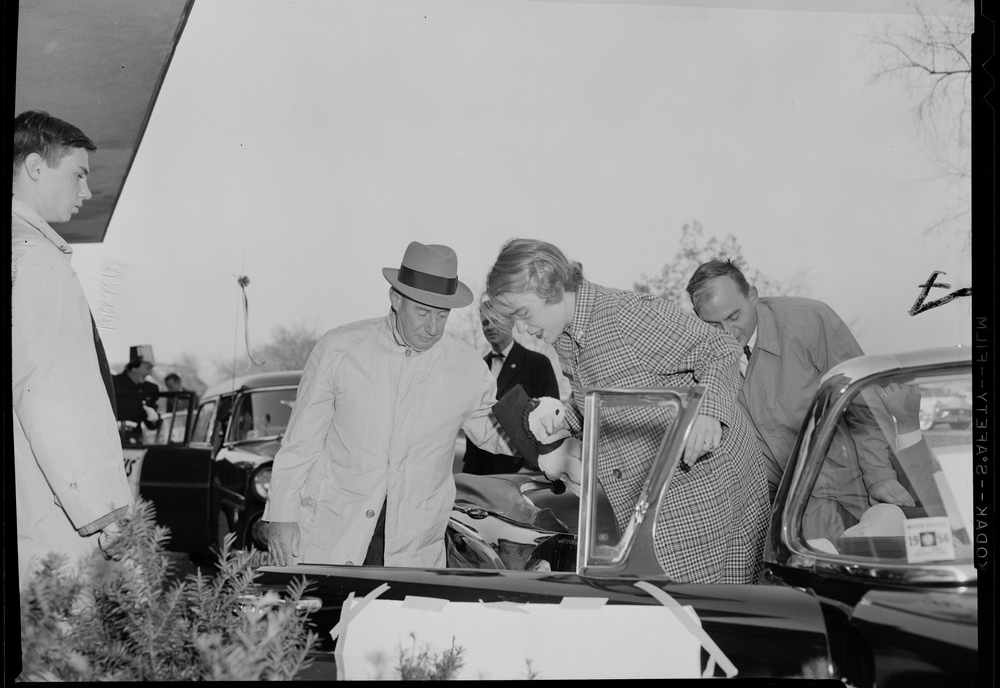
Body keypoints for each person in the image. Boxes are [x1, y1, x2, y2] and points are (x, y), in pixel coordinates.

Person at [482, 238, 769, 584]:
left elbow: (719, 348)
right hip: (655, 497)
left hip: (706, 488)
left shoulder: (625, 316)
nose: (521, 330)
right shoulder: (568, 338)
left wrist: (708, 413)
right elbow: (606, 397)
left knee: (699, 613)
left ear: (551, 285)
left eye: (522, 315)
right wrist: (563, 420)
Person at [264, 241, 529, 569]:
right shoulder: (339, 349)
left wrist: (541, 430)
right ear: (395, 299)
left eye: (442, 314)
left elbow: (494, 431)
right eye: (422, 312)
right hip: (333, 537)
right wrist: (281, 520)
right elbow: (300, 445)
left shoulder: (467, 365)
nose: (432, 327)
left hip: (414, 549)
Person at [686, 259, 914, 536]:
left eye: (734, 317)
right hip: (787, 508)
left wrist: (879, 475)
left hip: (855, 486)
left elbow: (862, 399)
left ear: (753, 296)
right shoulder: (699, 355)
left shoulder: (809, 320)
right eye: (713, 324)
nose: (727, 333)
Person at [12, 110, 133, 589]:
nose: (86, 193)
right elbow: (54, 400)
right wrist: (106, 515)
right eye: (78, 175)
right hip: (50, 514)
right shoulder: (39, 263)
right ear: (37, 167)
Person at [461, 311, 560, 475]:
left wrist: (531, 468)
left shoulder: (537, 364)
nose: (490, 327)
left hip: (517, 469)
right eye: (485, 323)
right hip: (476, 467)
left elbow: (552, 421)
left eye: (495, 321)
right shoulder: (477, 367)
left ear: (511, 323)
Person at [112, 345, 162, 446]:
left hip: (135, 441)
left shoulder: (150, 388)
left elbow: (151, 426)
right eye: (147, 367)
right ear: (134, 366)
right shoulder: (113, 383)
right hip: (113, 439)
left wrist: (155, 418)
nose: (149, 372)